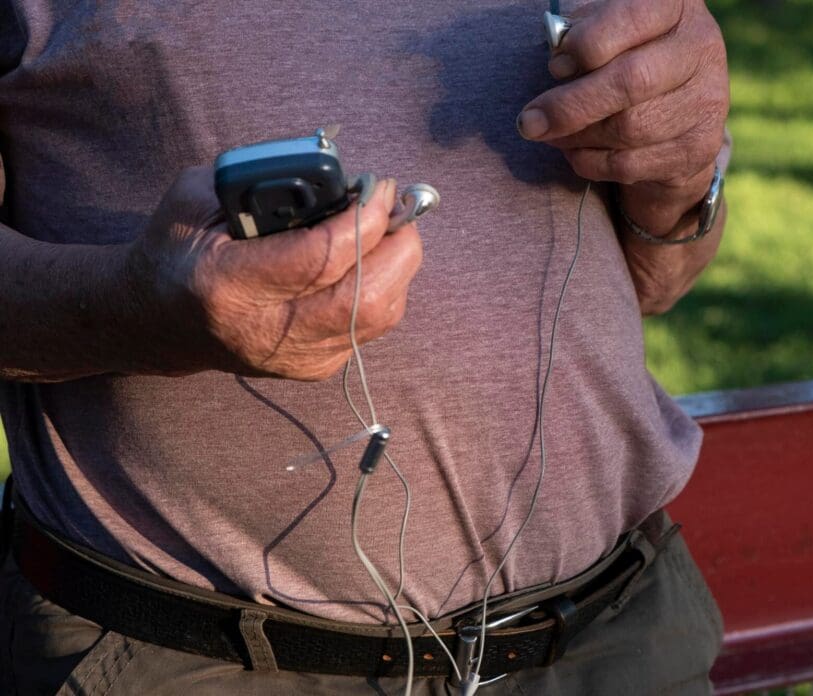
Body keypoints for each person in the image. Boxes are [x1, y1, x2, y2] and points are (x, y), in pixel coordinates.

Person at [0, 1, 731, 693]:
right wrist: (140, 311)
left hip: (618, 637)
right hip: (195, 662)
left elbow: (658, 278)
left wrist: (683, 177)